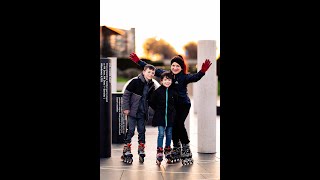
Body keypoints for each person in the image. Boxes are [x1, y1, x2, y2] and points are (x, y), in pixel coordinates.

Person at [129, 52, 212, 165]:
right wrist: (138, 61)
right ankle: (176, 147)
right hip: (172, 106)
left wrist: (202, 71)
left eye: (177, 66)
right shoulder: (166, 74)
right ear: (171, 66)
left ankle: (186, 147)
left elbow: (195, 77)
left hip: (183, 105)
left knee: (179, 124)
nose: (175, 67)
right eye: (173, 65)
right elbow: (152, 68)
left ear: (181, 67)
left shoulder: (184, 77)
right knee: (171, 125)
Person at [121, 64, 156, 164]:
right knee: (131, 130)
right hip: (132, 111)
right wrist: (126, 108)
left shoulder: (152, 85)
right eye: (148, 72)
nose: (150, 74)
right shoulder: (135, 81)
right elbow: (126, 95)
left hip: (142, 112)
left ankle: (141, 148)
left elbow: (152, 99)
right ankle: (126, 147)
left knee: (142, 131)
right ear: (144, 72)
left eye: (152, 73)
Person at [149, 71, 178, 165]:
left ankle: (168, 149)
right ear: (161, 81)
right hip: (160, 116)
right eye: (165, 80)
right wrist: (158, 109)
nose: (167, 82)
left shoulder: (173, 92)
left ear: (171, 81)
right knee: (161, 133)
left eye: (169, 80)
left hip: (170, 117)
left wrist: (173, 111)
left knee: (169, 134)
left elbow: (176, 103)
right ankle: (159, 151)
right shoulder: (157, 92)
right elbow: (152, 102)